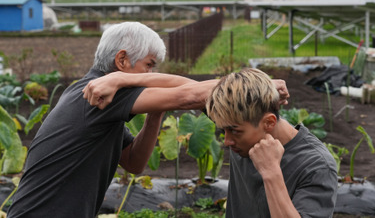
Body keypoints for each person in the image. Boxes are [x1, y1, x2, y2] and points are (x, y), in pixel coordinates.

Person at [7, 21, 290, 217]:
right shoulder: (100, 95)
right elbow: (188, 96)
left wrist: (156, 112)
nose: (150, 75)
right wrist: (257, 85)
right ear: (122, 61)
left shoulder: (94, 95)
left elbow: (134, 162)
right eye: (149, 66)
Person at [206, 68, 338, 218]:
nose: (227, 141)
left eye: (234, 131)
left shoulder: (316, 166)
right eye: (223, 130)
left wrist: (271, 171)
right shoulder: (239, 119)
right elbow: (184, 90)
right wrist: (257, 87)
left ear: (269, 122)